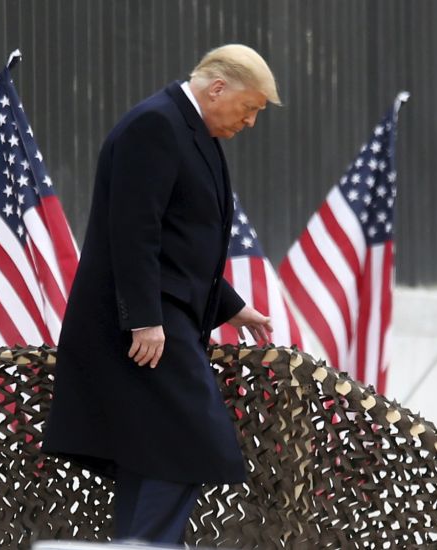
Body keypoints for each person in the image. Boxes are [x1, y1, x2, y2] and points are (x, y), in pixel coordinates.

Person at [41, 44, 279, 545]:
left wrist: (232, 306)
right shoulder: (155, 125)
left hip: (165, 318)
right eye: (249, 107)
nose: (251, 121)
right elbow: (133, 230)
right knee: (188, 442)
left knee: (152, 454)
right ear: (217, 88)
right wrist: (144, 318)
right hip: (145, 328)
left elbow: (179, 242)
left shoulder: (191, 130)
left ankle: (139, 544)